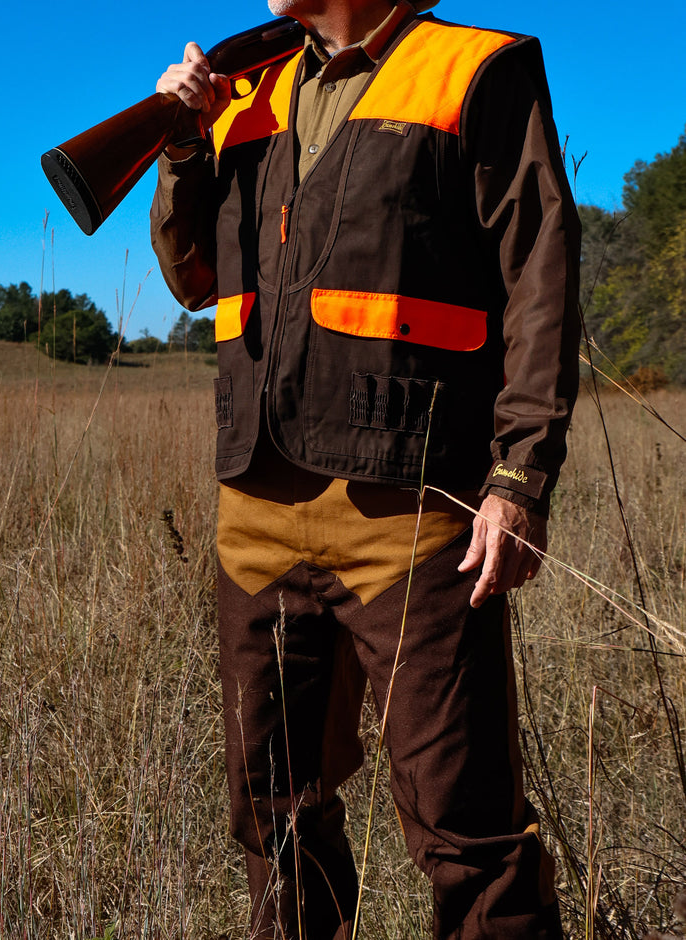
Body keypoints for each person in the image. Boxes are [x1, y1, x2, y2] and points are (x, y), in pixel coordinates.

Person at [151, 0, 580, 936]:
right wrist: (183, 147)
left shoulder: (478, 69)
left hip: (412, 514)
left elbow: (539, 279)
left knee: (466, 832)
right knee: (273, 816)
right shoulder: (244, 92)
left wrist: (518, 478)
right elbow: (191, 279)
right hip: (254, 514)